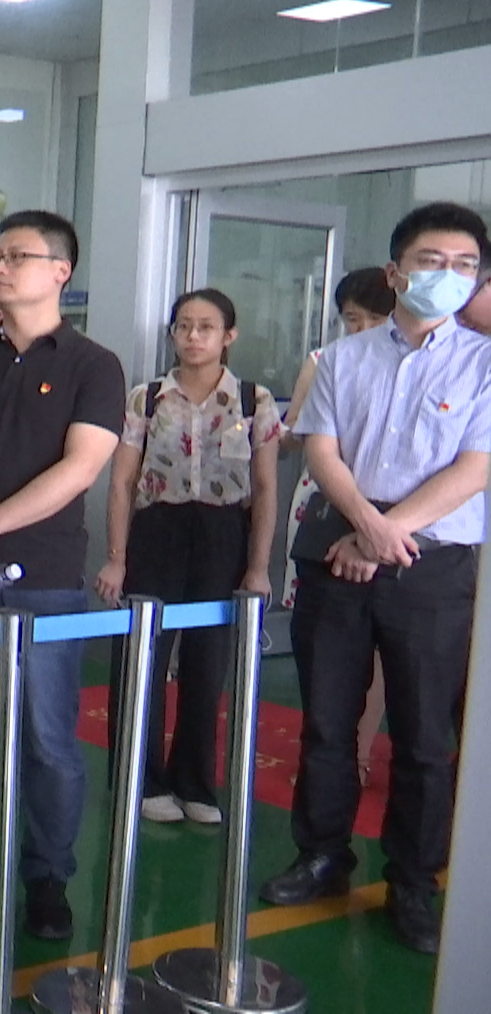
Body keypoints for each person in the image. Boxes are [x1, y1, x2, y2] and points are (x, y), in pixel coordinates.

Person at [259, 202, 491, 957]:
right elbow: (322, 451)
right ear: (396, 272)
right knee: (328, 720)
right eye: (431, 261)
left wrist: (388, 534)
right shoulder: (343, 358)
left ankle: (414, 882)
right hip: (339, 554)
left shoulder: (484, 365)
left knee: (423, 736)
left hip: (433, 567)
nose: (446, 275)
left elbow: (474, 469)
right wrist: (366, 522)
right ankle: (322, 854)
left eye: (464, 266)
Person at [0, 210, 124, 942]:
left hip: (44, 577)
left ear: (61, 272)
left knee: (47, 735)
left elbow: (79, 470)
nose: (0, 267)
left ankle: (48, 874)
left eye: (17, 256)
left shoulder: (92, 365)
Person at [95, 289, 281, 825]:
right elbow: (122, 482)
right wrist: (116, 557)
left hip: (224, 534)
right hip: (158, 529)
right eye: (183, 326)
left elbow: (265, 488)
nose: (193, 336)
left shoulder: (253, 400)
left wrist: (258, 566)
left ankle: (195, 781)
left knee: (208, 660)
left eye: (206, 327)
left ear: (229, 335)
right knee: (142, 658)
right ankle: (140, 780)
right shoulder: (148, 397)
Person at [280, 268, 395, 785]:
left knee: (383, 643)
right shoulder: (325, 361)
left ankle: (362, 750)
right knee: (325, 640)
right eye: (352, 318)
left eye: (374, 318)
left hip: (392, 510)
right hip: (325, 503)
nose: (361, 328)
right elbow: (293, 435)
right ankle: (327, 751)